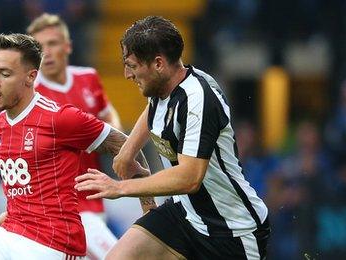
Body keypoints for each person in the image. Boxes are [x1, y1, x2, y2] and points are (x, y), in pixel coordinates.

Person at [0, 33, 155, 260]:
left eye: (5, 73)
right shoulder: (1, 122)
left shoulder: (59, 118)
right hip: (12, 231)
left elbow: (122, 143)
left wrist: (149, 211)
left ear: (30, 77)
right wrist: (17, 212)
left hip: (54, 242)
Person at [75, 16, 271, 260]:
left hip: (231, 232)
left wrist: (120, 187)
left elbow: (189, 178)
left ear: (158, 63)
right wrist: (128, 150)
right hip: (184, 214)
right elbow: (153, 109)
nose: (127, 74)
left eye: (132, 66)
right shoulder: (161, 85)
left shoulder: (198, 100)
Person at [0, 13, 122, 259]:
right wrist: (32, 193)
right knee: (118, 255)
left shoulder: (87, 77)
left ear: (67, 46)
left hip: (92, 198)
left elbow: (107, 115)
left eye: (53, 44)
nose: (46, 52)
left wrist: (105, 137)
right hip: (60, 209)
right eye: (40, 47)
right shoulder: (28, 94)